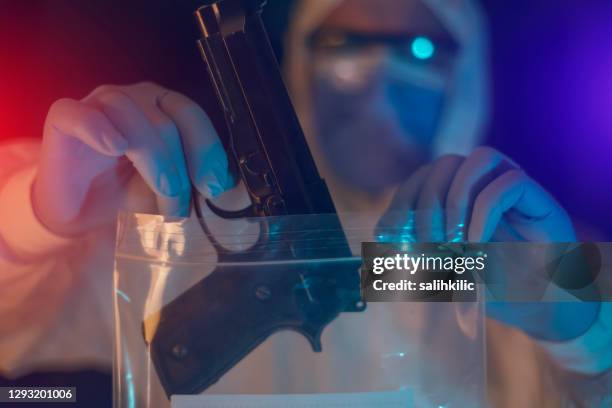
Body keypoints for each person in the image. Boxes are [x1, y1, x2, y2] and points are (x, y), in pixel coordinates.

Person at [0, 0, 609, 406]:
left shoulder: (519, 250)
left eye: (420, 47)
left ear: (468, 69)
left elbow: (386, 272)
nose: (378, 70)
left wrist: (588, 327)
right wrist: (34, 219)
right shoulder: (177, 216)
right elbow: (13, 328)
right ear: (301, 56)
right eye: (344, 42)